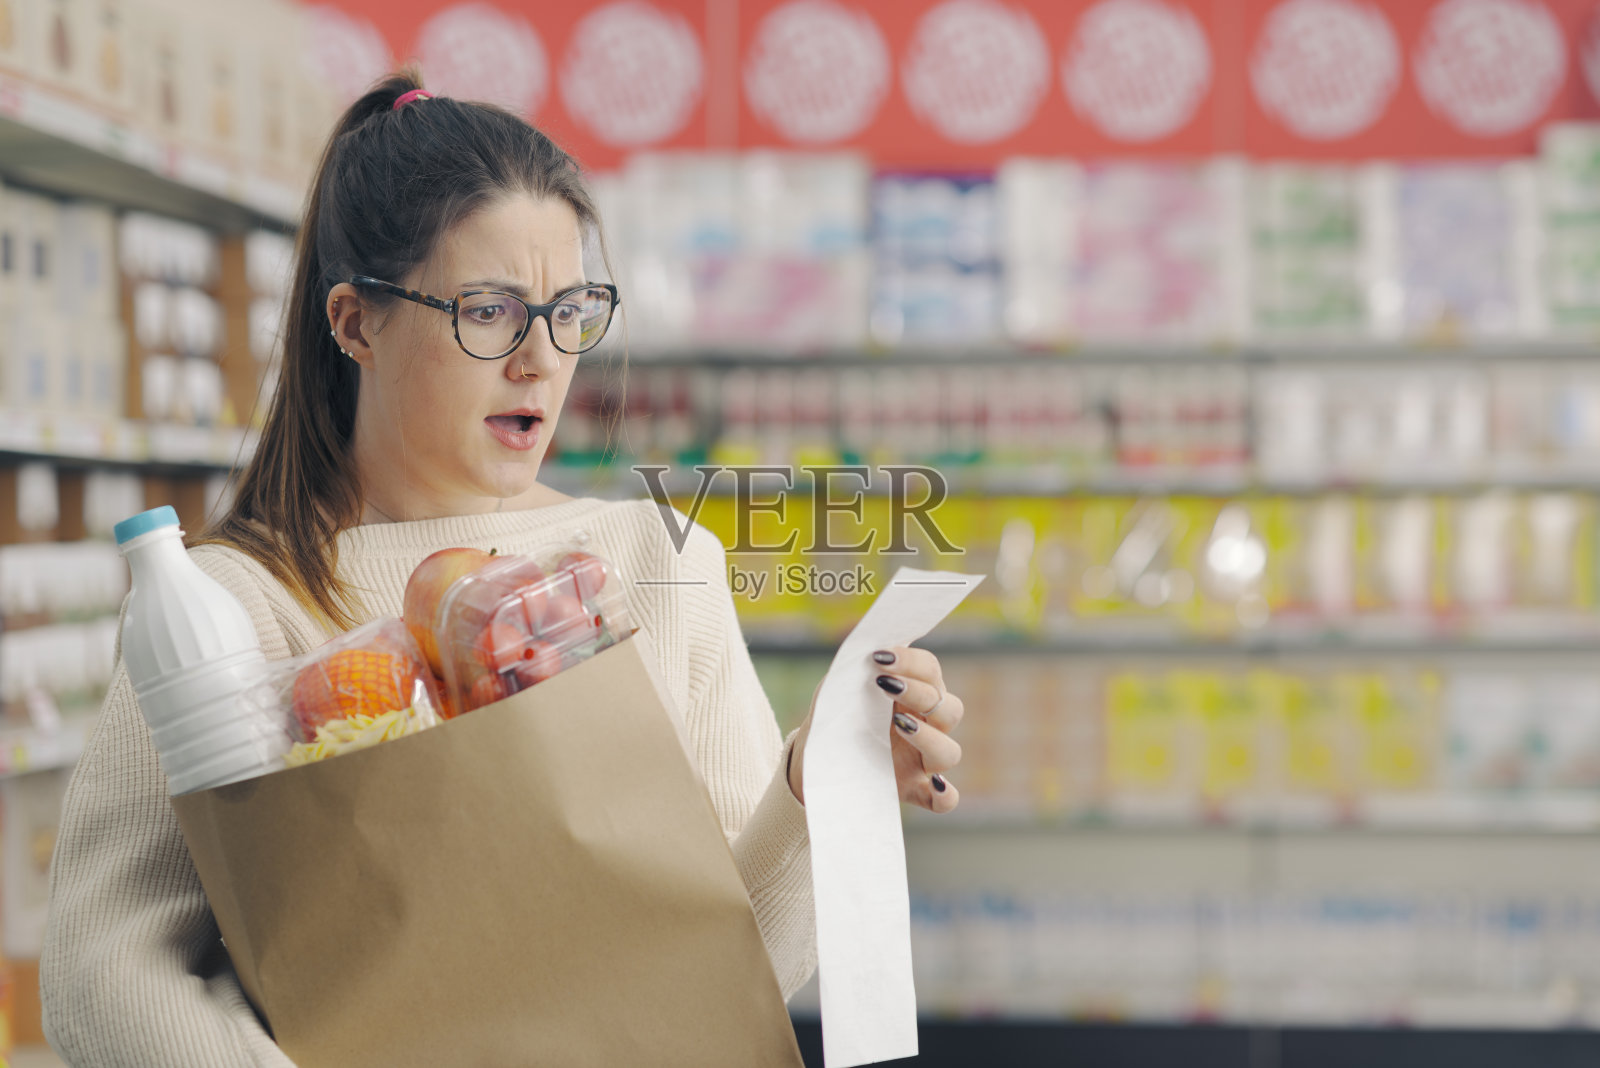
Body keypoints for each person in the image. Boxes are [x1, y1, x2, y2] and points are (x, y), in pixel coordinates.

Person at [39, 71, 967, 1065]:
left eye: (571, 310)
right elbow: (102, 974)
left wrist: (817, 780)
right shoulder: (234, 605)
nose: (540, 360)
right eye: (488, 311)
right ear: (354, 322)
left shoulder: (655, 562)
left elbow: (731, 962)